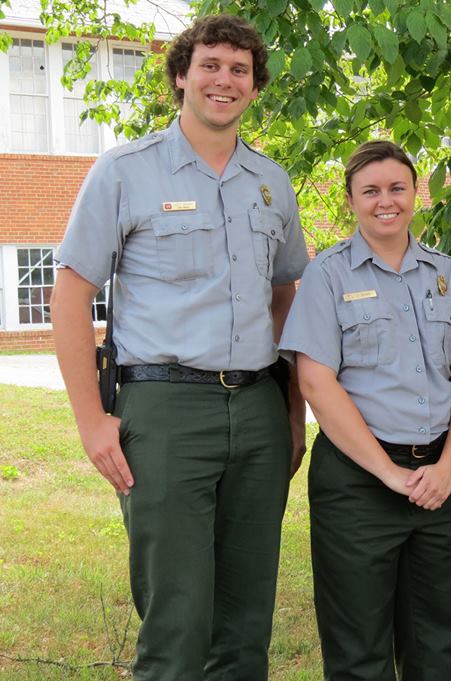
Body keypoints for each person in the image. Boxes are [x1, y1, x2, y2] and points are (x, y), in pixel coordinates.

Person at [50, 15, 309, 681]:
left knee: (247, 618)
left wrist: (292, 413)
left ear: (255, 88)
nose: (225, 79)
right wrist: (90, 420)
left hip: (258, 406)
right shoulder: (124, 172)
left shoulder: (272, 183)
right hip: (163, 410)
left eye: (240, 70)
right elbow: (71, 294)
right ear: (180, 77)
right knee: (177, 616)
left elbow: (287, 297)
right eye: (211, 65)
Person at [279, 140, 451, 681]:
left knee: (441, 643)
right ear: (351, 200)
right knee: (359, 651)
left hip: (441, 481)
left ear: (415, 193)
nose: (385, 201)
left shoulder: (445, 274)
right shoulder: (327, 276)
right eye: (370, 191)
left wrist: (448, 467)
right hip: (359, 483)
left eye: (397, 188)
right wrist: (389, 474)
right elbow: (315, 381)